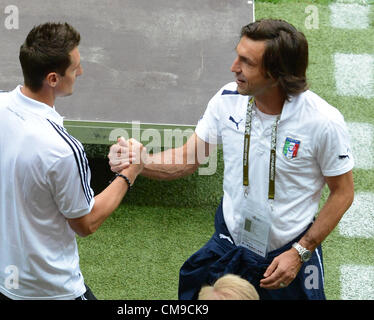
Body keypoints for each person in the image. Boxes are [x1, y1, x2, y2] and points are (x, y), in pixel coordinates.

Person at [108, 19, 354, 300]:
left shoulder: (323, 122)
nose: (233, 67)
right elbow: (190, 157)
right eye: (237, 56)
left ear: (276, 74)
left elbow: (343, 192)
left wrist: (300, 251)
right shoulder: (227, 100)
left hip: (285, 257)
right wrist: (141, 161)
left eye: (246, 62)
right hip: (229, 244)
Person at [0, 22, 144, 300]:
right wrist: (129, 174)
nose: (81, 72)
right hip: (48, 290)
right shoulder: (63, 150)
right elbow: (86, 223)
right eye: (75, 69)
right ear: (53, 79)